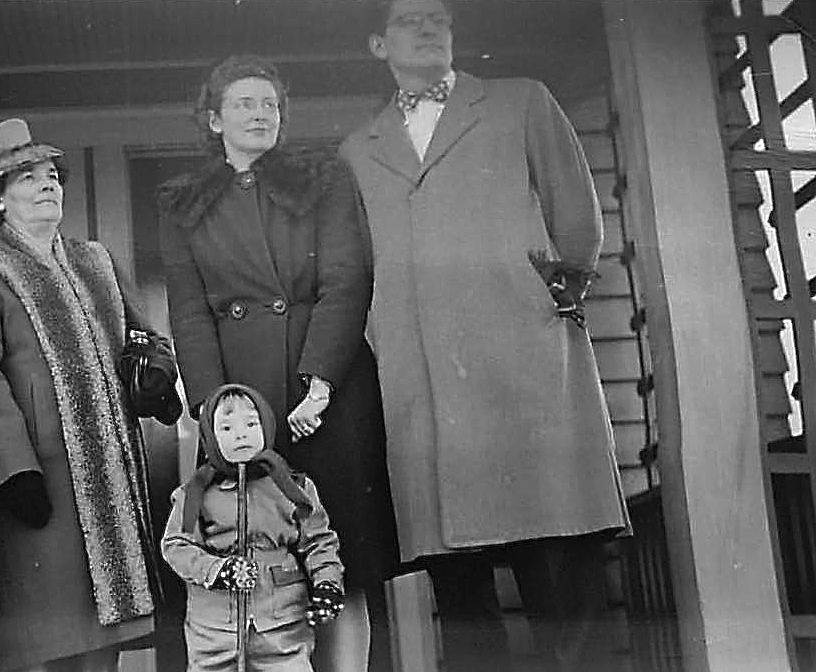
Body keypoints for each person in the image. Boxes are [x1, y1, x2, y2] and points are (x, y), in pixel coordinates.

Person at [339, 2, 631, 670]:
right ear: (378, 43)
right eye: (410, 19)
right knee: (463, 598)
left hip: (523, 368)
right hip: (427, 387)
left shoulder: (520, 102)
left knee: (560, 564)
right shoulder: (359, 148)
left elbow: (575, 217)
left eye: (438, 17)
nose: (428, 27)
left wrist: (551, 295)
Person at [158, 54, 399, 672]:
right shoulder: (184, 204)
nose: (260, 114)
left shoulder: (324, 179)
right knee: (251, 552)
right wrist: (216, 411)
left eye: (270, 104)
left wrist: (319, 384)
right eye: (244, 103)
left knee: (338, 556)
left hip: (327, 388)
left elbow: (347, 279)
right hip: (242, 399)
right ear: (214, 121)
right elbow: (189, 313)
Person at [0, 118, 175, 672]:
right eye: (27, 177)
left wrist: (157, 373)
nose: (47, 184)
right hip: (39, 481)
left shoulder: (96, 259)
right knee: (51, 637)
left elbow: (145, 337)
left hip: (113, 475)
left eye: (52, 175)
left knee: (106, 638)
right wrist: (12, 472)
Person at [162, 384, 345, 672]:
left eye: (251, 423)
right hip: (214, 632)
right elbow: (176, 545)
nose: (241, 434)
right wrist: (217, 570)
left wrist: (328, 584)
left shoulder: (293, 488)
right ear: (210, 435)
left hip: (282, 625)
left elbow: (319, 542)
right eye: (227, 427)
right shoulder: (194, 494)